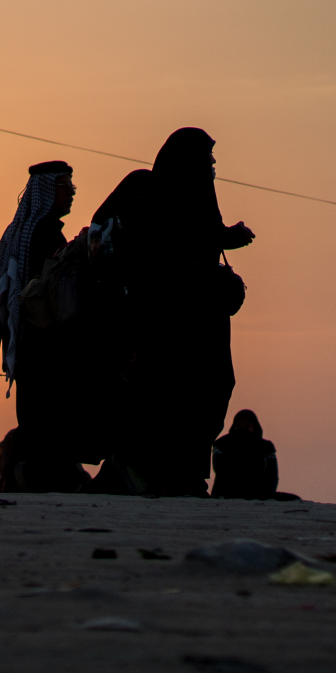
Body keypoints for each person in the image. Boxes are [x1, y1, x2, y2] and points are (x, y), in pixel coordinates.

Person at [103, 128, 255, 495]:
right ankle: (173, 474)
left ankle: (186, 472)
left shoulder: (200, 197)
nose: (214, 163)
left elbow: (202, 236)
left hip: (205, 319)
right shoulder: (156, 196)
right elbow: (167, 245)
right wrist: (223, 238)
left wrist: (224, 238)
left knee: (212, 387)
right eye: (208, 155)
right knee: (174, 393)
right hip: (169, 319)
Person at [0, 161, 91, 492]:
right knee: (48, 416)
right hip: (43, 340)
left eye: (72, 187)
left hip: (28, 340)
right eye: (65, 187)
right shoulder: (45, 233)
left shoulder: (23, 231)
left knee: (35, 415)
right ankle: (37, 476)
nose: (71, 194)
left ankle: (28, 475)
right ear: (47, 191)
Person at [211, 409, 291, 500]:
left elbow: (271, 476)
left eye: (247, 426)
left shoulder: (266, 447)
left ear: (254, 428)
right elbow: (220, 468)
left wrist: (267, 495)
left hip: (258, 494)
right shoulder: (221, 444)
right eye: (238, 426)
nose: (242, 429)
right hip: (226, 493)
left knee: (293, 499)